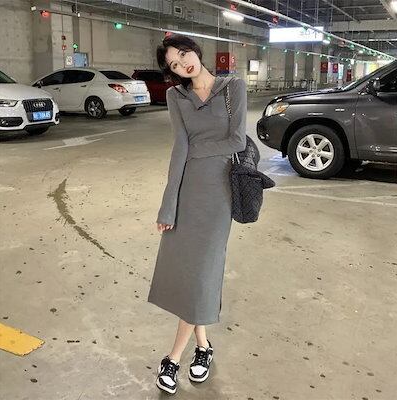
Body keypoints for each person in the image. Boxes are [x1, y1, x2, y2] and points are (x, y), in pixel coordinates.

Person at [147, 33, 247, 395]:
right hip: (187, 191)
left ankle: (173, 357)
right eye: (174, 64)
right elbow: (180, 147)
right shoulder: (176, 97)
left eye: (184, 54)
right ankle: (203, 346)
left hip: (218, 194)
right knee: (191, 274)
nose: (182, 65)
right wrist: (168, 203)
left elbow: (237, 140)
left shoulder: (232, 87)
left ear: (196, 50)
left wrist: (196, 149)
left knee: (203, 270)